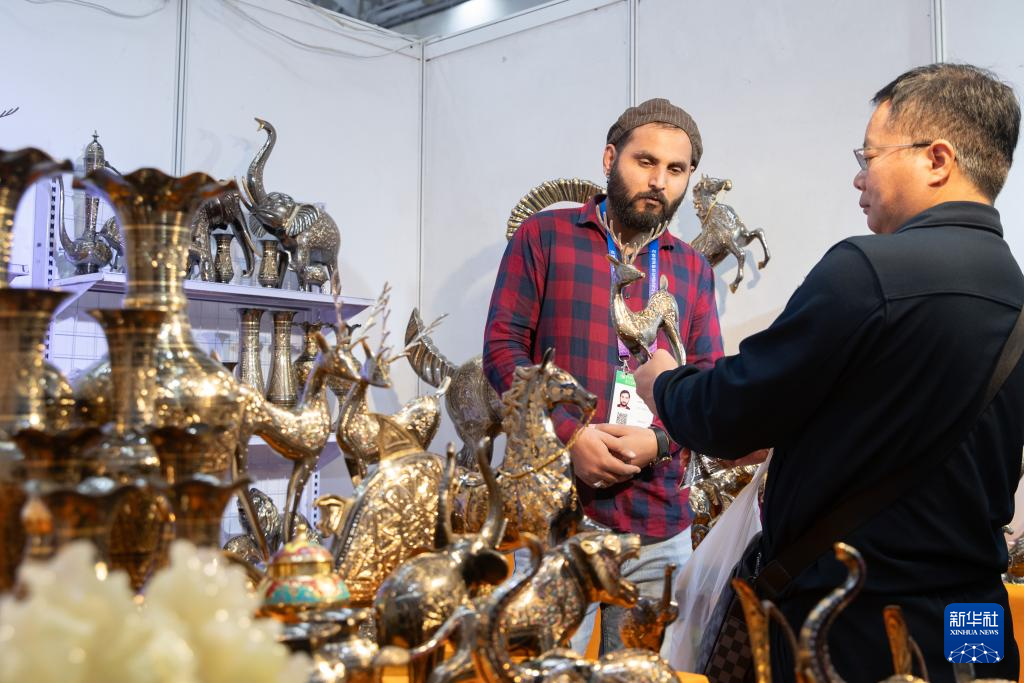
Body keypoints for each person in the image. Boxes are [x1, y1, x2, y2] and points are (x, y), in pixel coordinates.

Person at [635, 63, 1023, 681]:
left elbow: (728, 416)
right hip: (975, 618)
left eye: (870, 156)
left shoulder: (868, 272)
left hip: (857, 630)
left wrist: (663, 381)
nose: (858, 176)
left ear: (937, 159)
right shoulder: (1016, 298)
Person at [482, 98, 724, 652]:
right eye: (645, 161)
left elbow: (707, 385)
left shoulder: (693, 269)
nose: (659, 180)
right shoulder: (546, 236)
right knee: (540, 669)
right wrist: (570, 437)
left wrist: (658, 442)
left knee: (638, 675)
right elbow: (502, 350)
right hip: (557, 515)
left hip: (658, 525)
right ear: (611, 158)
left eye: (676, 169)